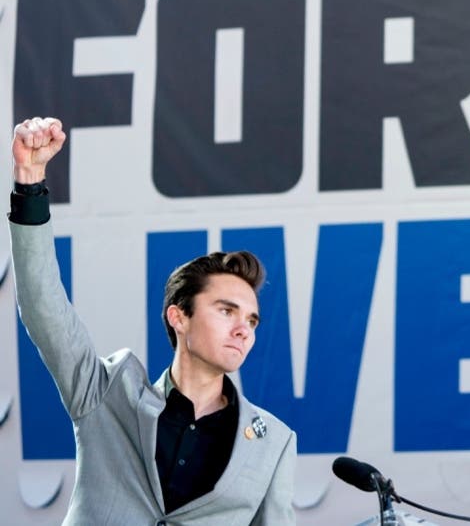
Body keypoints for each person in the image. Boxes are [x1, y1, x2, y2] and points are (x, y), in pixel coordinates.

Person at [8, 116, 296, 524]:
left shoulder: (273, 443)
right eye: (226, 310)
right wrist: (30, 182)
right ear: (178, 316)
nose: (242, 330)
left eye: (252, 321)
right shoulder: (106, 393)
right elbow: (43, 306)